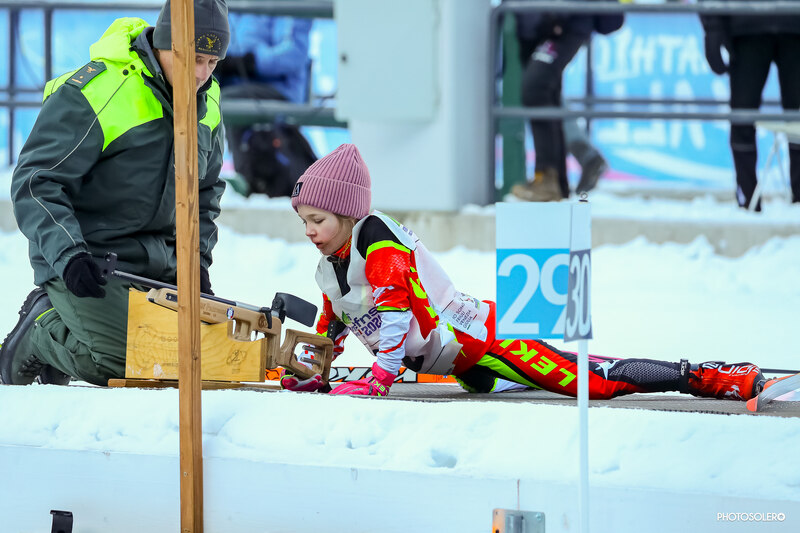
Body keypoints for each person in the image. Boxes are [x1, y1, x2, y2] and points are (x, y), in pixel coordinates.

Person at [280, 143, 769, 401]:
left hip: (485, 342)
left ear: (347, 213)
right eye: (304, 221)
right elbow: (334, 321)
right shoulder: (333, 261)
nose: (309, 231)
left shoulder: (376, 240)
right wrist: (311, 368)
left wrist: (379, 380)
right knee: (563, 376)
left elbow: (394, 315)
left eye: (317, 219)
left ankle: (707, 377)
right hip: (465, 370)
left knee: (592, 383)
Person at [0, 0, 229, 387]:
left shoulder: (208, 100)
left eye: (212, 62)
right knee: (126, 363)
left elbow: (206, 192)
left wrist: (196, 263)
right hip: (90, 264)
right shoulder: (100, 90)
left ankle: (77, 335)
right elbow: (35, 181)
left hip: (159, 266)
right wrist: (69, 256)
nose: (201, 74)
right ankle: (42, 325)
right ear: (165, 44)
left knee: (195, 358)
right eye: (193, 59)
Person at [511, 10, 623, 202]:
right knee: (548, 95)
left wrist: (558, 15)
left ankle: (547, 177)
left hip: (563, 22)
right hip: (539, 26)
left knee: (536, 89)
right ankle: (557, 183)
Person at [700, 6, 800, 211]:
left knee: (797, 121)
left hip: (791, 25)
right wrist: (713, 27)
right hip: (747, 24)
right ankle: (748, 201)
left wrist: (713, 27)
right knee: (742, 117)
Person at [215, 13, 317, 198]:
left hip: (278, 89)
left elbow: (293, 53)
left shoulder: (291, 8)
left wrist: (252, 62)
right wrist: (215, 63)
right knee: (201, 97)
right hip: (232, 87)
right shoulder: (226, 6)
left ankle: (247, 179)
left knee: (229, 102)